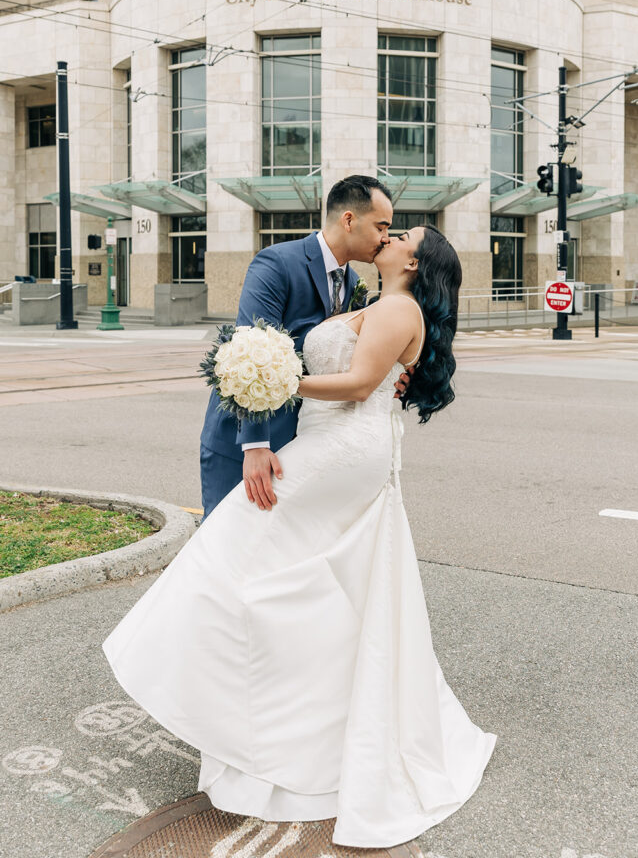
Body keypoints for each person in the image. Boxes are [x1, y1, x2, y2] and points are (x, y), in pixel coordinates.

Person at [102, 224, 497, 850]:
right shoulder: (377, 304)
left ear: (414, 263)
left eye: (399, 236)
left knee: (232, 549)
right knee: (300, 580)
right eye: (385, 227)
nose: (387, 238)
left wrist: (274, 381)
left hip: (342, 450)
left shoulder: (397, 306)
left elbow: (362, 384)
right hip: (326, 441)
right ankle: (281, 725)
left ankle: (251, 713)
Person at [199, 174, 395, 520]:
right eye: (381, 226)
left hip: (303, 444)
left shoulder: (353, 284)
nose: (386, 238)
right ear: (348, 220)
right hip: (243, 445)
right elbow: (251, 349)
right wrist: (256, 446)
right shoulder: (277, 263)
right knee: (225, 546)